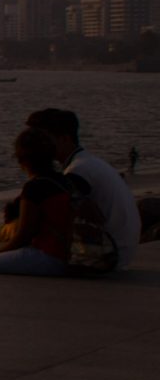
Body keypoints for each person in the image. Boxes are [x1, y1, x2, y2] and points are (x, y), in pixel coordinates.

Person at [25, 108, 134, 271]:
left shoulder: (78, 172)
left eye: (43, 139)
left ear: (65, 139)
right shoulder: (88, 163)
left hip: (105, 256)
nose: (38, 145)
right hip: (120, 251)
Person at [0, 129, 76, 279]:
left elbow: (23, 236)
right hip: (73, 254)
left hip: (52, 257)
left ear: (21, 160)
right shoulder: (66, 180)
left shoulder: (34, 188)